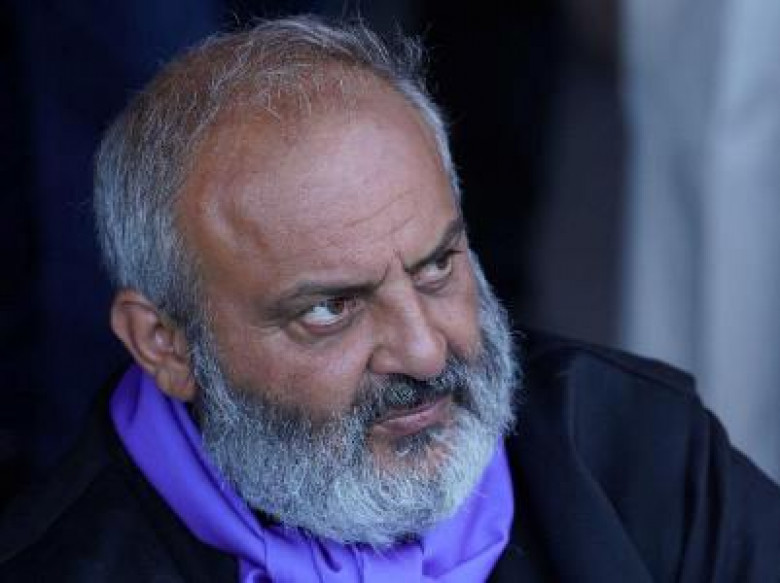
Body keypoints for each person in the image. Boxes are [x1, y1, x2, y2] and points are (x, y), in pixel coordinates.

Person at [1, 16, 778, 582]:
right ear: (164, 343)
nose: (426, 351)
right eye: (329, 309)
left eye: (436, 265)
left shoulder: (641, 451)